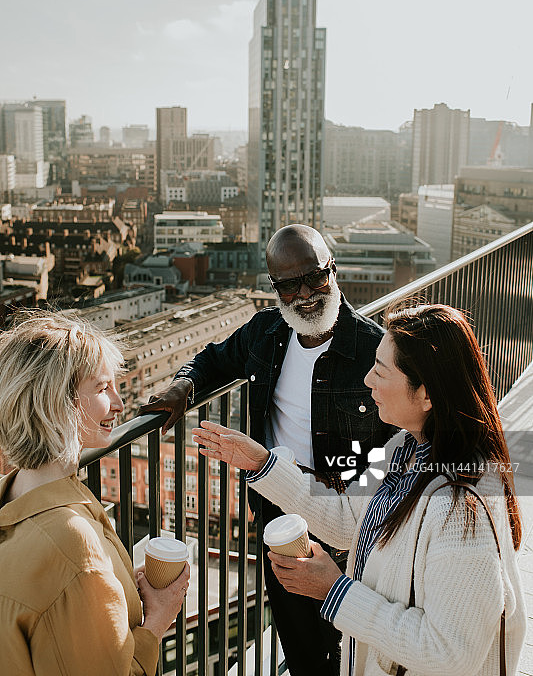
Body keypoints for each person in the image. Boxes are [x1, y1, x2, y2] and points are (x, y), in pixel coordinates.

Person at [192, 304, 527, 676]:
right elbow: (349, 520)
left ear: (427, 395)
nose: (367, 380)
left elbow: (449, 653)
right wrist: (262, 465)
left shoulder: (463, 507)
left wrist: (336, 592)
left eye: (380, 371)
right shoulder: (405, 448)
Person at [141, 224, 397, 676]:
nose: (305, 295)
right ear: (274, 287)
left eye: (316, 278)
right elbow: (213, 358)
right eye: (288, 284)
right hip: (278, 516)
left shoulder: (374, 352)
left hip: (348, 525)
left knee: (352, 649)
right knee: (299, 644)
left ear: (333, 271)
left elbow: (397, 449)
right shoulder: (266, 333)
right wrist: (184, 385)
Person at [0, 310, 190, 676]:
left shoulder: (14, 497)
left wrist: (112, 583)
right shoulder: (72, 545)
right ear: (58, 403)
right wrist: (159, 617)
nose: (120, 404)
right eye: (103, 388)